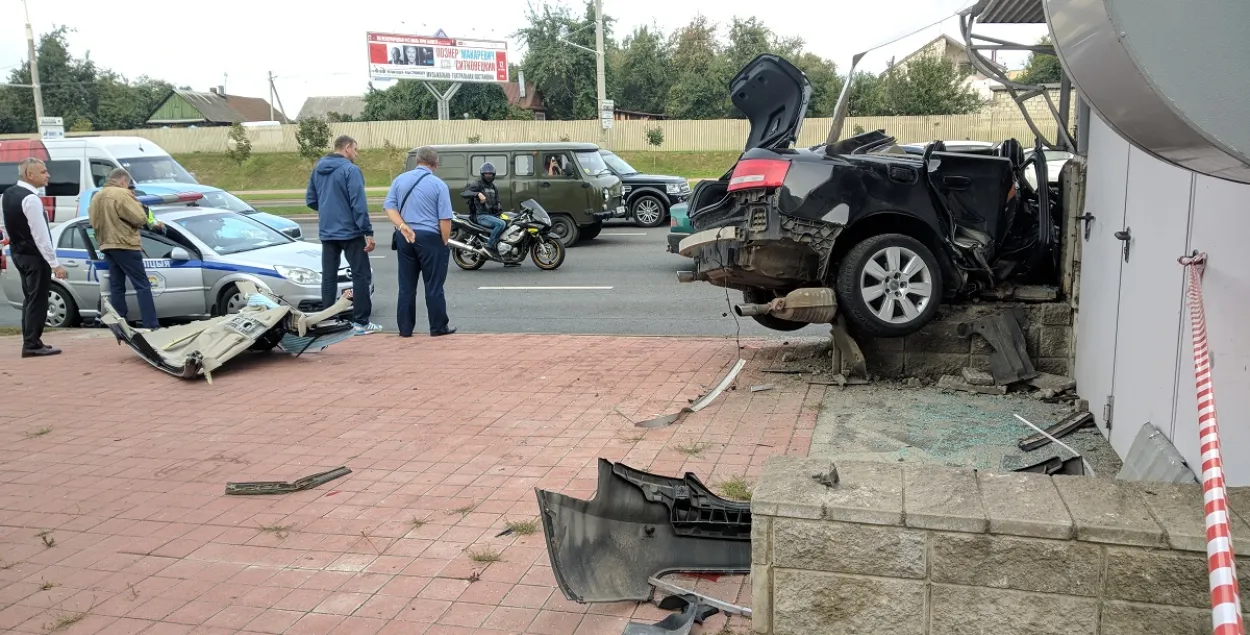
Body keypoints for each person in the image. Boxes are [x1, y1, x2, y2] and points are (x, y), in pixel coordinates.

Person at [305, 135, 380, 335]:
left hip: (327, 231)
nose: (356, 154)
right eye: (355, 149)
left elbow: (311, 200)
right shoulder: (350, 170)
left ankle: (328, 319)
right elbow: (359, 204)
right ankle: (361, 323)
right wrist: (368, 231)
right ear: (347, 148)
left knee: (328, 276)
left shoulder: (318, 168)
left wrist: (329, 210)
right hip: (350, 231)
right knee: (361, 274)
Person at [384, 146, 456, 338]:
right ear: (435, 163)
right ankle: (438, 327)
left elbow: (390, 208)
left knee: (406, 285)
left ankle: (405, 329)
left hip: (405, 236)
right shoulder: (438, 185)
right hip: (430, 238)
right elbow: (445, 220)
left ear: (417, 161)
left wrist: (402, 226)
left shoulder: (399, 180)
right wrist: (444, 242)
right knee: (433, 285)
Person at [0, 158, 67, 357]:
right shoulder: (30, 199)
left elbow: (4, 225)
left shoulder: (7, 194)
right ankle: (32, 344)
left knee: (30, 298)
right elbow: (41, 235)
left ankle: (31, 340)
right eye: (44, 171)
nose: (48, 175)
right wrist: (54, 264)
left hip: (18, 253)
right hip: (34, 256)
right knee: (38, 300)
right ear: (30, 175)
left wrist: (11, 242)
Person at [88, 168, 163, 330]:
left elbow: (92, 221)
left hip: (106, 245)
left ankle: (120, 323)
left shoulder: (97, 197)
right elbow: (140, 218)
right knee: (142, 285)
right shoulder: (122, 194)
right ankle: (151, 323)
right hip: (125, 244)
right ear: (123, 181)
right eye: (128, 184)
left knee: (117, 286)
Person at [460, 162, 510, 262]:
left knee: (510, 223)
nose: (488, 175)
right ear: (482, 174)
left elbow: (497, 201)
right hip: (481, 216)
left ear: (493, 174)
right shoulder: (477, 184)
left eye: (490, 174)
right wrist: (477, 194)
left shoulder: (494, 187)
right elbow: (464, 193)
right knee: (501, 224)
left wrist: (499, 207)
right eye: (486, 173)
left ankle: (508, 256)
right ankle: (489, 246)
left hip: (492, 215)